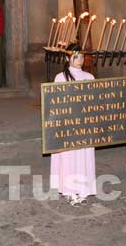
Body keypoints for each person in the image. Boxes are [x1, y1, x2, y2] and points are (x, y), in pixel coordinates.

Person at [50, 43, 97, 206]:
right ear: (67, 58)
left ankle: (83, 189)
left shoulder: (89, 77)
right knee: (69, 157)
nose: (80, 60)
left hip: (84, 125)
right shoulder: (60, 77)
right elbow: (55, 102)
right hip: (68, 125)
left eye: (82, 56)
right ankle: (69, 191)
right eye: (76, 57)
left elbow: (94, 102)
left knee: (83, 156)